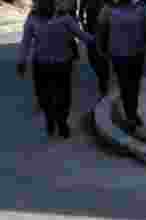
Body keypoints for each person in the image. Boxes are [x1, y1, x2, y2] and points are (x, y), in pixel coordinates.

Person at [17, 0, 96, 138]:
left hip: (62, 63)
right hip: (41, 64)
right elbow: (25, 42)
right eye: (41, 3)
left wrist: (96, 41)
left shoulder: (64, 18)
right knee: (43, 97)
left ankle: (62, 121)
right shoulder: (32, 19)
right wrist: (21, 60)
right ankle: (50, 117)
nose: (44, 5)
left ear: (53, 4)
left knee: (63, 96)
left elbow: (81, 35)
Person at [98, 0, 146, 133]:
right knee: (128, 85)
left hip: (133, 54)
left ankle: (131, 113)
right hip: (122, 54)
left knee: (131, 85)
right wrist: (102, 49)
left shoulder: (140, 7)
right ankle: (131, 115)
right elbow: (102, 31)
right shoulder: (109, 9)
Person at [79, 0, 111, 96]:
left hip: (102, 29)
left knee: (102, 57)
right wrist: (83, 25)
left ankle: (103, 82)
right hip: (91, 29)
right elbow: (81, 11)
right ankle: (101, 79)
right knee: (92, 57)